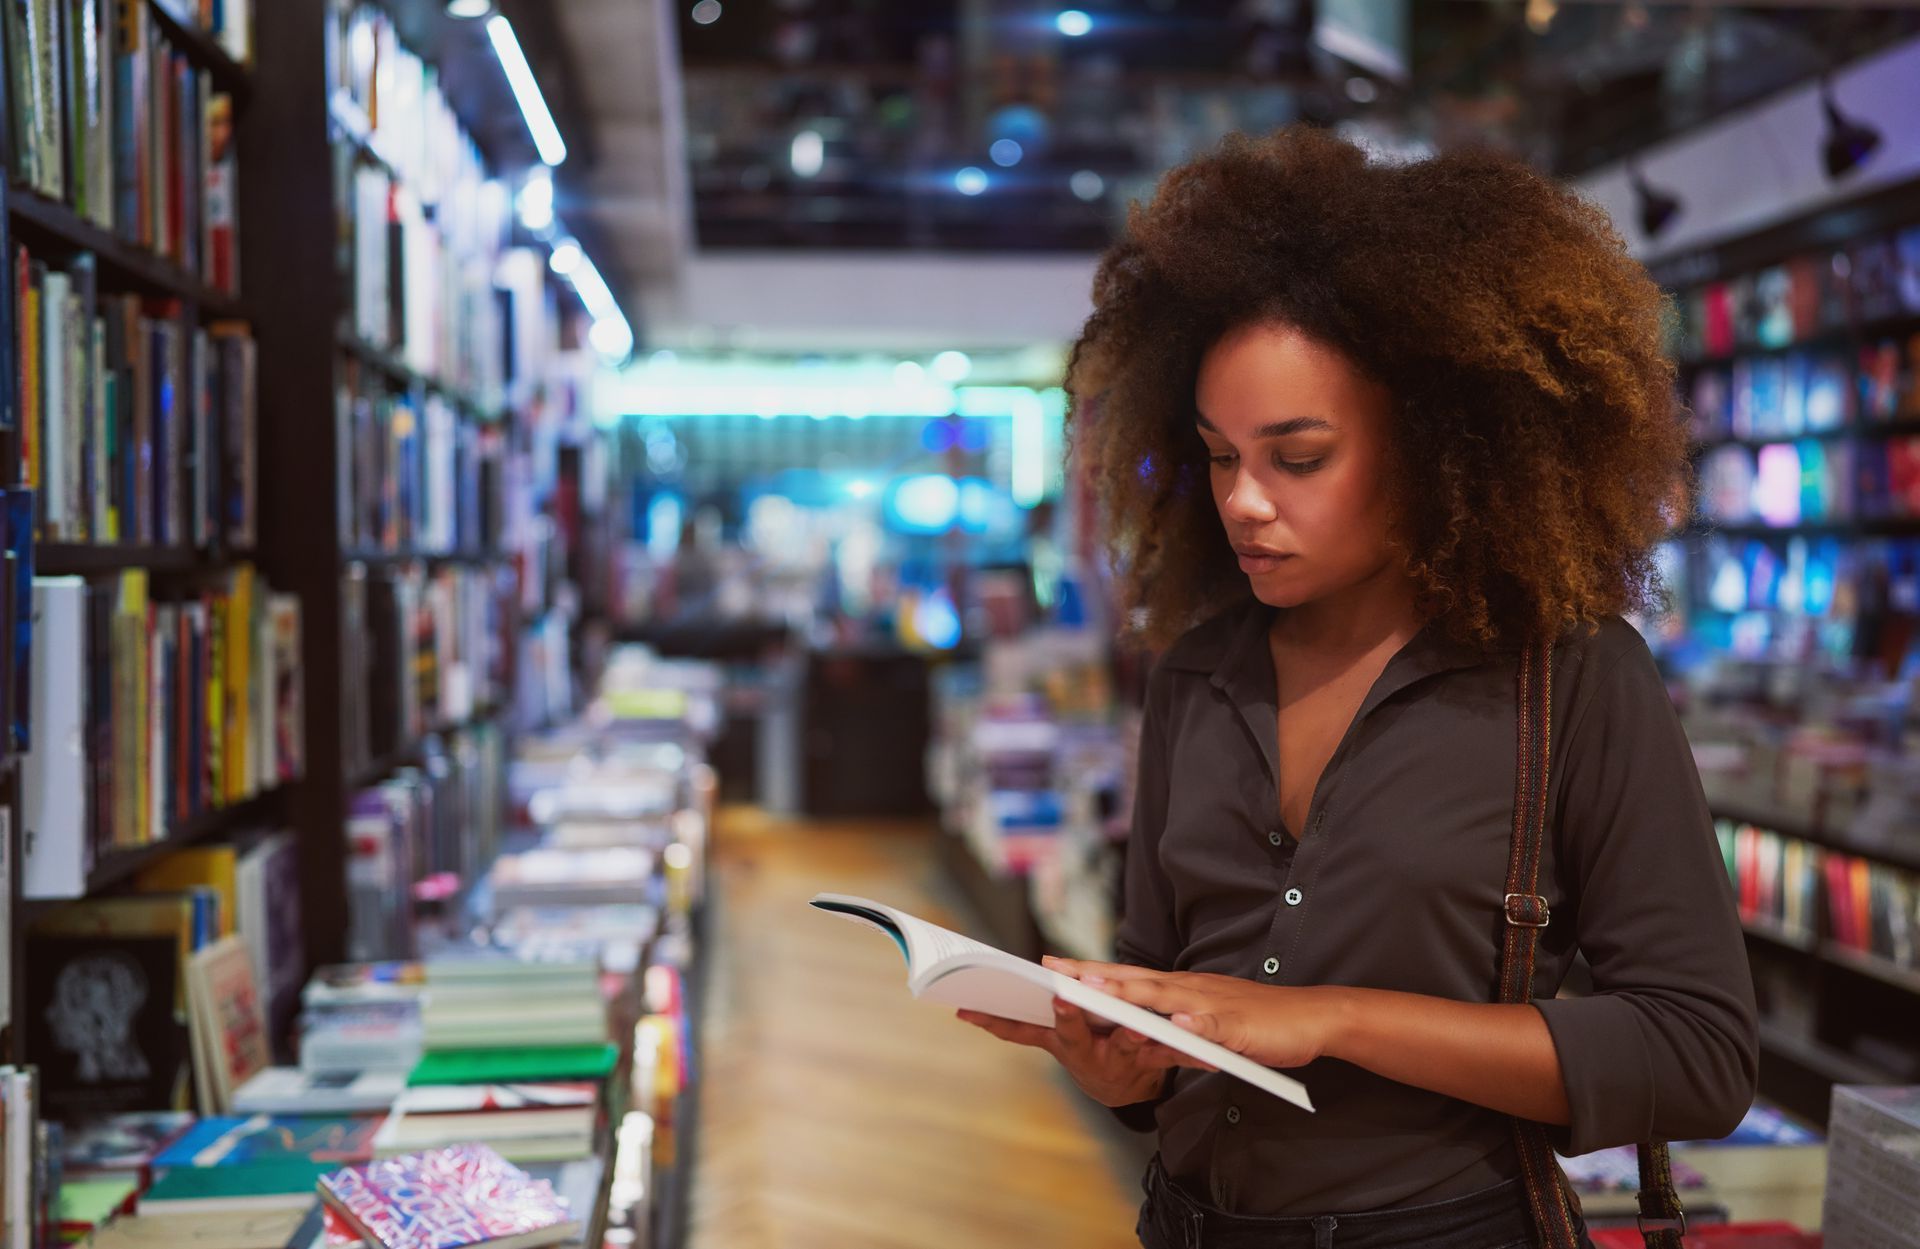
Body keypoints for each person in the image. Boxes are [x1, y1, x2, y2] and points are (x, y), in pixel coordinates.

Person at [959, 126, 1758, 1248]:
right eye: (1220, 455)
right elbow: (1163, 998)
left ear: (1439, 446)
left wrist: (1330, 1019)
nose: (1242, 501)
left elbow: (1697, 1054)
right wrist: (1116, 1062)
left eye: (1298, 455)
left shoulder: (1569, 680)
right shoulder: (1197, 675)